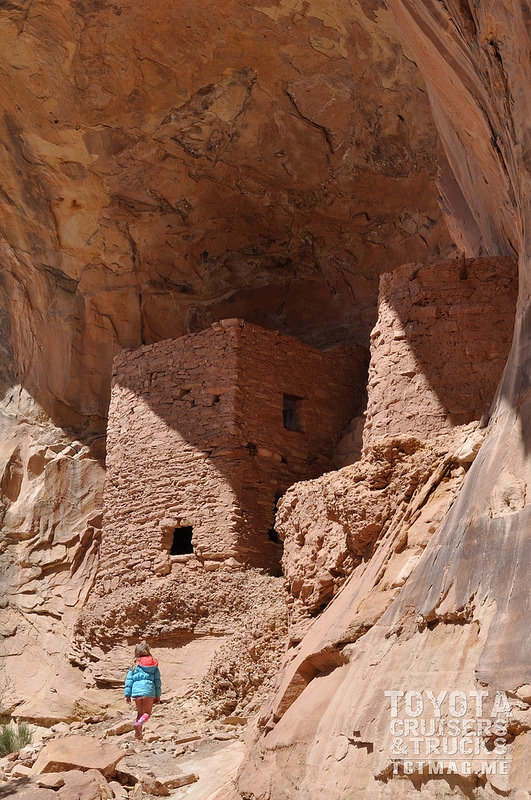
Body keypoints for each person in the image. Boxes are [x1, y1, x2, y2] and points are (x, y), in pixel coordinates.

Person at [124, 641, 162, 740]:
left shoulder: (134, 664)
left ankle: (138, 737)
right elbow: (157, 681)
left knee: (139, 713)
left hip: (136, 691)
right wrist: (158, 695)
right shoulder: (153, 664)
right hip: (148, 690)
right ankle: (139, 724)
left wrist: (127, 694)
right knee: (147, 713)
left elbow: (129, 680)